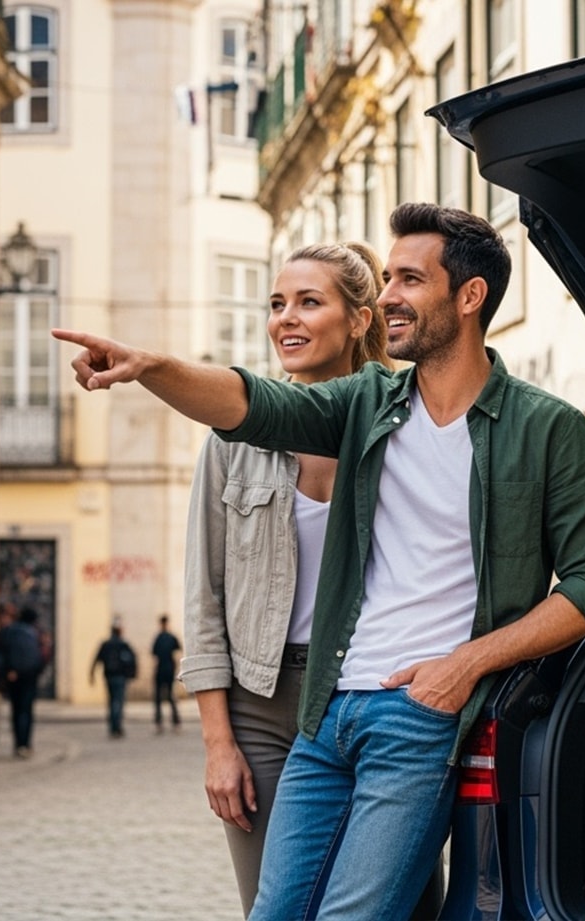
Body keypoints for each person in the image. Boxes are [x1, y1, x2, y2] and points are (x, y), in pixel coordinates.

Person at [54, 202, 585, 921]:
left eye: (409, 279)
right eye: (387, 279)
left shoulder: (548, 430)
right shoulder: (367, 405)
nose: (388, 295)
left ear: (470, 296)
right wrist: (150, 367)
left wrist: (465, 664)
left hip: (417, 715)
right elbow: (253, 405)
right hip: (326, 716)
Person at [179, 241, 391, 916]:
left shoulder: (402, 430)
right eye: (276, 304)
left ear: (358, 320)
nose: (285, 319)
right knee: (276, 905)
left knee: (399, 901)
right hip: (261, 707)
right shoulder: (232, 439)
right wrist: (219, 744)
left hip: (369, 695)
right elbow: (203, 599)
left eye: (308, 302)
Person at [0, 605, 45, 758]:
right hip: (30, 677)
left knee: (17, 710)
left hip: (13, 676)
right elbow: (42, 655)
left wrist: (5, 669)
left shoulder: (9, 631)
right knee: (26, 711)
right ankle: (25, 744)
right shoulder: (34, 633)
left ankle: (19, 744)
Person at [90, 619, 137, 738]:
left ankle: (113, 726)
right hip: (120, 676)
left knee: (111, 702)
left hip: (109, 676)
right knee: (118, 702)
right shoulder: (123, 645)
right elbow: (132, 660)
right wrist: (132, 675)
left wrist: (91, 674)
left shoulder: (106, 644)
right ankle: (117, 726)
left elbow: (96, 660)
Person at [150, 614, 183, 734]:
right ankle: (165, 722)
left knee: (166, 696)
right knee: (163, 697)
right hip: (165, 669)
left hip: (165, 669)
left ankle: (171, 721)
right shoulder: (166, 637)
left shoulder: (162, 638)